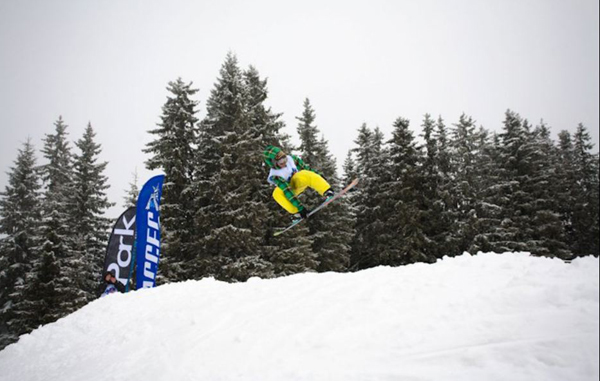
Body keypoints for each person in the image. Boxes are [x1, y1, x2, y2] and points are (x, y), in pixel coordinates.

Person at [264, 145, 334, 219]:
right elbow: (286, 189)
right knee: (276, 194)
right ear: (273, 163)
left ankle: (326, 190)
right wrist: (300, 208)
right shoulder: (275, 175)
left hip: (299, 181)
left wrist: (318, 176)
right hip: (289, 191)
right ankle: (295, 213)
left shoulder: (292, 160)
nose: (284, 162)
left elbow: (306, 169)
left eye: (284, 158)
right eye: (281, 161)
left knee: (302, 173)